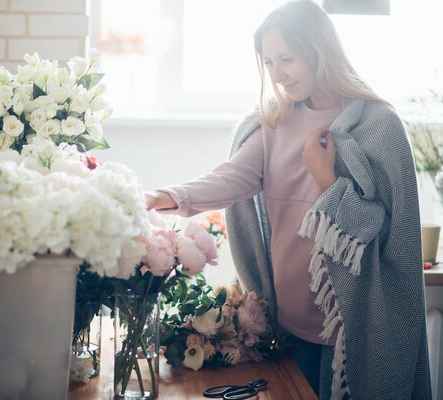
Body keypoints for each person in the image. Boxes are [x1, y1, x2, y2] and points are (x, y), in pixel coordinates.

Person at [146, 1, 431, 399]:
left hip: (353, 329)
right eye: (268, 62)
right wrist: (172, 196)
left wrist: (327, 178)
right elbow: (234, 177)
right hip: (289, 325)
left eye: (287, 59)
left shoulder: (379, 125)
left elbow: (388, 231)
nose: (277, 75)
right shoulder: (272, 122)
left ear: (319, 50)